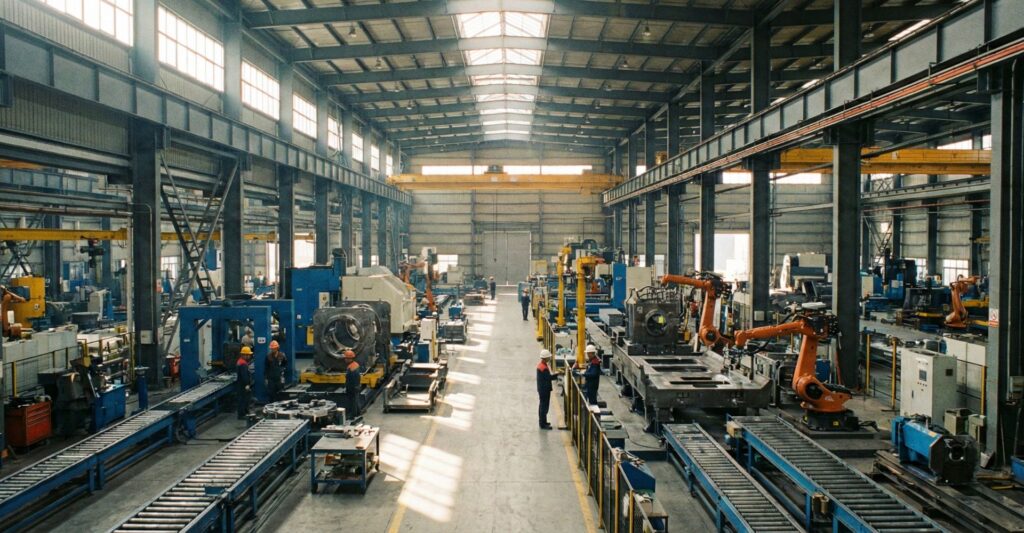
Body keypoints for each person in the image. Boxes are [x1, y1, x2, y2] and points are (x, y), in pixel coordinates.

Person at [536, 350, 557, 429]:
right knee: (544, 407)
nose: (549, 358)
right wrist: (557, 375)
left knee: (543, 405)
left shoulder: (541, 365)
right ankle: (542, 424)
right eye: (548, 357)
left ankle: (543, 422)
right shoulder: (543, 368)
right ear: (545, 358)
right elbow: (548, 378)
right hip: (544, 389)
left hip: (542, 389)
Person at [236, 346, 253, 420]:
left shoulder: (240, 361)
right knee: (243, 399)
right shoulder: (243, 364)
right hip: (243, 385)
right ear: (244, 355)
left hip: (240, 384)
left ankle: (245, 412)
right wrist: (247, 384)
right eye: (248, 355)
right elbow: (244, 376)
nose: (249, 356)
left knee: (243, 399)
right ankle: (242, 415)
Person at [343, 350, 361, 419]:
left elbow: (351, 379)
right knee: (356, 400)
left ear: (349, 359)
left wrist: (348, 387)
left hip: (352, 387)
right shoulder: (356, 364)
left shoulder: (351, 368)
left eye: (346, 358)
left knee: (352, 402)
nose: (345, 360)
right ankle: (358, 413)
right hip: (357, 386)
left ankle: (353, 415)